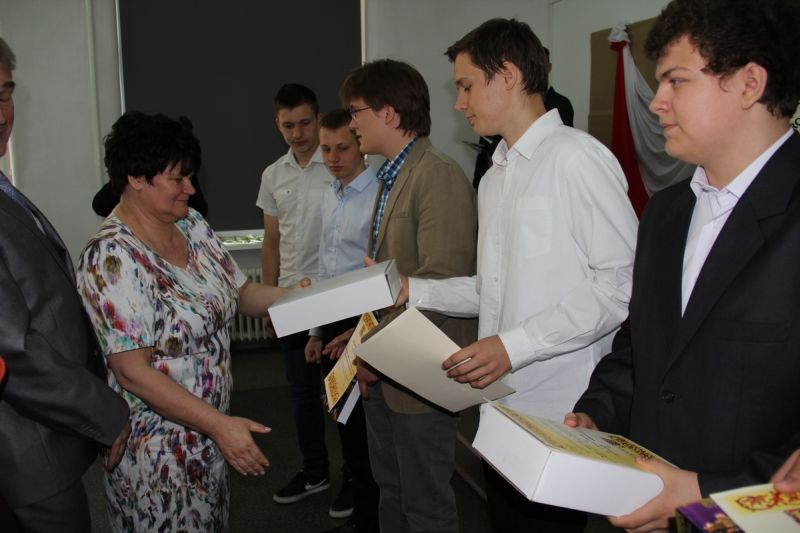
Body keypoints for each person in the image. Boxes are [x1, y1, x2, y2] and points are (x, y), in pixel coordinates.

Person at [392, 19, 637, 533]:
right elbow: (492, 290)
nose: (459, 104)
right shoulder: (495, 176)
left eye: (466, 86)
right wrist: (413, 289)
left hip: (560, 405)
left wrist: (514, 345)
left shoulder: (577, 158)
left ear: (507, 75)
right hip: (501, 404)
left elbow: (620, 286)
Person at [566, 0, 800, 530]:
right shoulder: (666, 213)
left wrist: (701, 495)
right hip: (642, 502)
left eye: (676, 81)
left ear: (749, 83)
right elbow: (641, 347)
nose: (657, 102)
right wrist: (596, 414)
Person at [76, 111, 290, 531]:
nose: (191, 188)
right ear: (137, 178)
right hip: (157, 453)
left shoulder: (191, 224)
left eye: (190, 176)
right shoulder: (112, 256)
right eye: (178, 178)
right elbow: (132, 372)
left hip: (207, 436)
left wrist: (305, 296)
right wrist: (220, 426)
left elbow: (242, 294)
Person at [341, 58, 478, 533]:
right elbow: (385, 282)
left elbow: (442, 283)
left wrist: (377, 355)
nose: (352, 123)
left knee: (425, 506)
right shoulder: (392, 176)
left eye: (356, 112)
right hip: (385, 368)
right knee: (393, 492)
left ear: (389, 113)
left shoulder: (436, 174)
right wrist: (361, 344)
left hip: (419, 374)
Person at [0, 36, 130, 532]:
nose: (2, 114)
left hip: (43, 436)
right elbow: (12, 349)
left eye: (6, 93)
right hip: (24, 451)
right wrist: (103, 410)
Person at [256, 84, 347, 510]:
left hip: (336, 295)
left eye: (305, 123)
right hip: (293, 297)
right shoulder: (273, 175)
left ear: (319, 118)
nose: (298, 133)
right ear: (278, 125)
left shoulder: (340, 162)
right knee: (302, 395)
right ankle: (315, 472)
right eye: (288, 125)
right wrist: (270, 300)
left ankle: (355, 478)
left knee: (344, 394)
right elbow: (271, 242)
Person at [303, 108, 380, 533]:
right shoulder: (328, 194)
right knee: (344, 419)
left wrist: (365, 328)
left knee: (367, 425)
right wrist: (316, 330)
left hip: (365, 318)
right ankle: (362, 512)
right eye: (326, 149)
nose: (333, 158)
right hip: (332, 319)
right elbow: (324, 266)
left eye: (343, 148)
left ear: (360, 146)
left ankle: (371, 518)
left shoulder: (379, 193)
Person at [472, 46, 574, 186]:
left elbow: (557, 144)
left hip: (538, 174)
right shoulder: (499, 107)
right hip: (499, 168)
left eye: (468, 87)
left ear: (549, 68)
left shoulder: (560, 103)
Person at [92, 172, 208, 217]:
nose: (190, 189)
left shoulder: (195, 221)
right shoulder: (113, 247)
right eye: (177, 179)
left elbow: (201, 209)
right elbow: (100, 206)